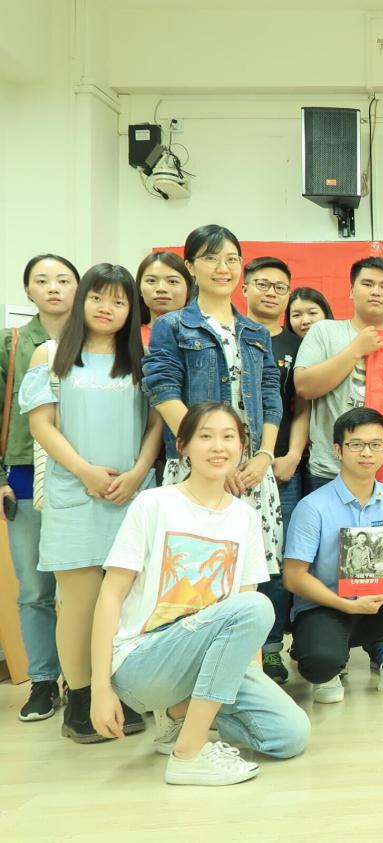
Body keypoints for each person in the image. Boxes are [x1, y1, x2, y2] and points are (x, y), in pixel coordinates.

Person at [90, 402, 310, 786]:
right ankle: (189, 753)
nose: (218, 446)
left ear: (242, 446)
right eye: (205, 436)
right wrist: (100, 688)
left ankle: (180, 715)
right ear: (183, 446)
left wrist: (251, 682)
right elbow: (110, 595)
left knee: (290, 735)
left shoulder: (245, 518)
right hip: (144, 660)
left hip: (207, 657)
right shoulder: (154, 503)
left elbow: (246, 623)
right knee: (257, 606)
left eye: (228, 437)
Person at [19, 263, 161, 741]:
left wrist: (138, 473)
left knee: (126, 603)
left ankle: (118, 691)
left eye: (119, 301)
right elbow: (41, 425)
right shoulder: (50, 353)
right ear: (82, 301)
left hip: (131, 496)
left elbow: (155, 425)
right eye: (98, 297)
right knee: (79, 603)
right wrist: (84, 471)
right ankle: (79, 700)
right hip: (74, 494)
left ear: (131, 310)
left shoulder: (141, 360)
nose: (107, 308)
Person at [143, 224, 284, 576]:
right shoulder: (172, 325)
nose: (224, 268)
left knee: (248, 575)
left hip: (251, 471)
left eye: (232, 259)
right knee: (192, 573)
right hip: (196, 466)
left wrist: (264, 456)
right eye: (211, 258)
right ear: (190, 266)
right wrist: (209, 453)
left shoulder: (256, 332)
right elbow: (163, 389)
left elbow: (270, 393)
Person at [283, 407, 383, 702]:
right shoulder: (313, 507)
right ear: (338, 450)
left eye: (375, 444)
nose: (366, 452)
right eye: (356, 444)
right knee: (319, 667)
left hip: (373, 603)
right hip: (325, 606)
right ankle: (329, 663)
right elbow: (293, 577)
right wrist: (346, 605)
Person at [3, 254, 78, 722]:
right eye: (42, 280)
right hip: (25, 473)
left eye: (63, 279)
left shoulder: (98, 341)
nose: (53, 288)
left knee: (88, 584)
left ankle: (86, 676)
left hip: (87, 475)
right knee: (34, 588)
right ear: (27, 290)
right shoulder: (11, 343)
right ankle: (44, 681)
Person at [243, 257, 311, 684]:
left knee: (278, 559)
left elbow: (302, 407)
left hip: (282, 467)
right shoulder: (233, 334)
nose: (271, 293)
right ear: (245, 287)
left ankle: (271, 649)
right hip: (230, 467)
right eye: (262, 284)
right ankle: (239, 648)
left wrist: (292, 455)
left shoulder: (296, 344)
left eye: (279, 287)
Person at [294, 256, 383, 491]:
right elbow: (304, 386)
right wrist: (356, 350)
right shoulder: (325, 331)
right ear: (351, 291)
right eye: (367, 284)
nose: (375, 291)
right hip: (329, 471)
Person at [136, 252, 195, 346]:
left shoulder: (205, 335)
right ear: (139, 289)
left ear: (188, 289)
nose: (161, 289)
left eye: (172, 281)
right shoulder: (129, 337)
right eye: (151, 280)